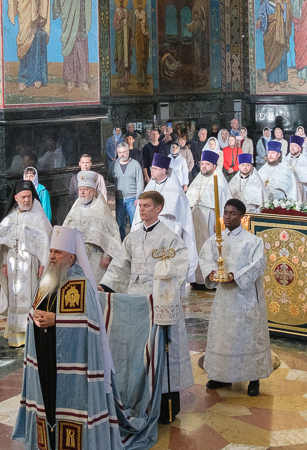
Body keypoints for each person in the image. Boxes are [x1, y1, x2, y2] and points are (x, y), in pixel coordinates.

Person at [14, 226, 152, 450]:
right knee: (46, 398)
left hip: (72, 360)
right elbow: (36, 309)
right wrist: (34, 316)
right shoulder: (46, 280)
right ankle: (47, 446)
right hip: (44, 355)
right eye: (51, 251)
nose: (53, 256)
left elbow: (90, 325)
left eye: (59, 252)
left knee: (68, 401)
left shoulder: (81, 283)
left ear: (72, 257)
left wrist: (55, 320)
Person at [100, 190, 194, 420]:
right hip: (134, 302)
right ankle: (136, 400)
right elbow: (120, 267)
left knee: (160, 351)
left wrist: (163, 290)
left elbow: (181, 268)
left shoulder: (171, 238)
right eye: (139, 205)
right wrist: (106, 286)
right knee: (137, 352)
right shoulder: (131, 238)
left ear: (158, 208)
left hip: (159, 302)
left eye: (146, 206)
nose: (141, 209)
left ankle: (164, 406)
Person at [200, 200, 272, 395]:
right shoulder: (216, 239)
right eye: (226, 213)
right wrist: (212, 273)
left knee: (247, 335)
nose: (228, 217)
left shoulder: (253, 241)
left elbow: (258, 265)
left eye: (233, 213)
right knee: (223, 335)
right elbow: (205, 258)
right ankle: (221, 375)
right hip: (224, 297)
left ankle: (253, 378)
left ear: (242, 216)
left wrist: (236, 276)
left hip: (245, 296)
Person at [0, 180, 52, 347]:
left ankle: (30, 333)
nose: (27, 200)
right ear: (16, 198)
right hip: (13, 264)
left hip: (31, 264)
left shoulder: (39, 216)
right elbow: (3, 242)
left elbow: (46, 243)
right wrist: (4, 262)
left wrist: (43, 263)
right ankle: (15, 335)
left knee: (30, 297)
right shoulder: (10, 217)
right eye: (23, 197)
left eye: (29, 197)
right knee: (14, 297)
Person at [146, 153, 199, 279]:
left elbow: (181, 216)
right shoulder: (150, 186)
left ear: (163, 170)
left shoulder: (175, 189)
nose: (151, 171)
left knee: (169, 268)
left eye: (154, 168)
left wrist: (174, 235)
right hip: (150, 232)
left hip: (168, 233)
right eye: (151, 168)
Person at [62, 170, 121, 279]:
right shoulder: (75, 209)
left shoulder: (102, 210)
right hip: (76, 257)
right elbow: (66, 230)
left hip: (95, 258)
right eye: (80, 189)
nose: (82, 193)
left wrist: (107, 256)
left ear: (93, 192)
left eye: (86, 189)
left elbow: (113, 234)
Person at [186, 150, 231, 281]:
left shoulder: (221, 183)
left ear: (214, 166)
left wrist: (221, 224)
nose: (203, 167)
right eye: (202, 164)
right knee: (195, 249)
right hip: (195, 221)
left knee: (210, 250)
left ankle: (212, 278)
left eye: (207, 164)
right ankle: (196, 279)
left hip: (211, 222)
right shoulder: (195, 182)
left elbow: (225, 205)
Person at [111, 143, 144, 239]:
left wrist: (138, 198)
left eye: (124, 152)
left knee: (135, 223)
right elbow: (110, 180)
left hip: (132, 199)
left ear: (128, 151)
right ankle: (122, 245)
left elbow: (140, 182)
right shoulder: (113, 165)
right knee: (120, 225)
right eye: (120, 152)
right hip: (118, 199)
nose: (122, 154)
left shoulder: (135, 164)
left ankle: (135, 243)